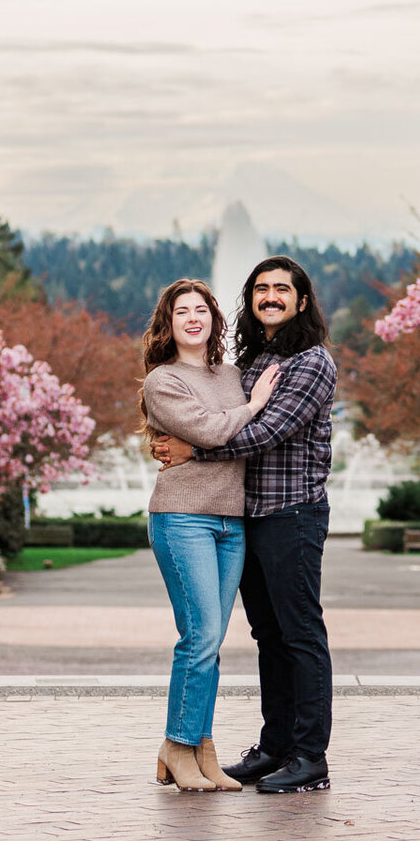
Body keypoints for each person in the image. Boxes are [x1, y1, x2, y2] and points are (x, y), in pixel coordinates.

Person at [152, 255, 336, 794]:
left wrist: (192, 452)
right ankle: (276, 745)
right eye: (261, 289)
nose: (270, 297)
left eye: (282, 289)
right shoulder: (251, 361)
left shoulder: (311, 362)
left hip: (292, 513)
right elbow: (216, 417)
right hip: (247, 516)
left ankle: (309, 755)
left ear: (302, 301)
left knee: (300, 634)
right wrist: (190, 443)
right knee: (268, 635)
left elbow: (265, 433)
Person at [140, 277, 282, 793]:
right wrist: (254, 405)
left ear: (214, 319)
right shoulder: (164, 380)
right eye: (183, 312)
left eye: (202, 309)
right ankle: (178, 745)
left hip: (232, 522)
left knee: (212, 643)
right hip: (183, 519)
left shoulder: (232, 376)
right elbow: (212, 431)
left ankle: (200, 749)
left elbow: (235, 435)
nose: (193, 318)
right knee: (199, 637)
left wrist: (244, 407)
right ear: (169, 323)